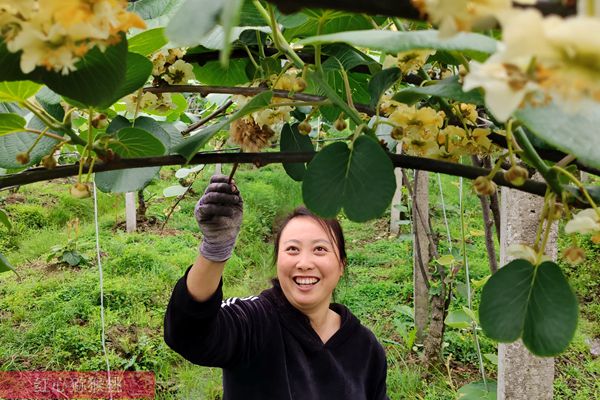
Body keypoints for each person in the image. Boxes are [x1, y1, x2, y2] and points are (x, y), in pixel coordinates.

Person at [164, 174, 389, 400]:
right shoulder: (254, 322)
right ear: (277, 261)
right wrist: (214, 251)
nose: (304, 263)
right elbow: (189, 335)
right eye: (292, 249)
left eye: (320, 249)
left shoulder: (366, 348)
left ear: (341, 265)